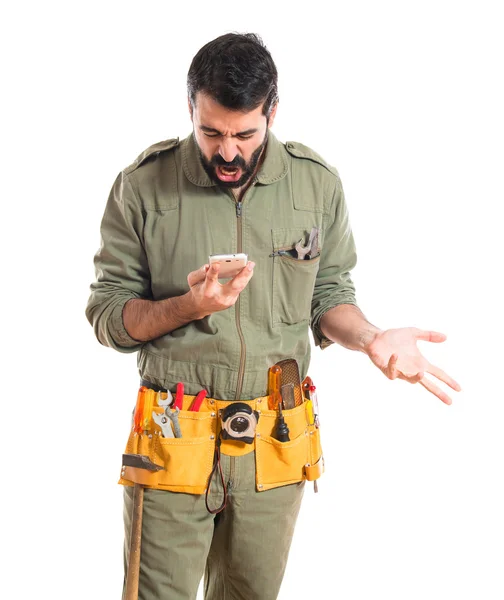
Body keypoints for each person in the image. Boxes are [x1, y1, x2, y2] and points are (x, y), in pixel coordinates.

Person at [86, 32, 461, 600]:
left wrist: (372, 336)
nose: (228, 152)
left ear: (272, 112)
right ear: (190, 108)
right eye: (210, 132)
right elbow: (109, 317)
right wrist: (191, 305)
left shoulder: (316, 183)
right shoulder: (141, 185)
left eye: (244, 133)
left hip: (276, 438)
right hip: (172, 438)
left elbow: (329, 294)